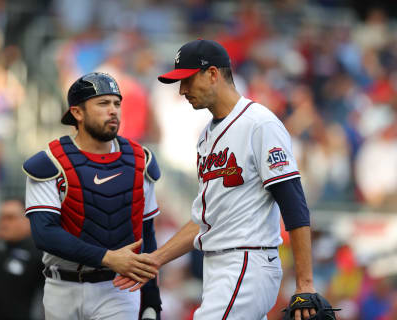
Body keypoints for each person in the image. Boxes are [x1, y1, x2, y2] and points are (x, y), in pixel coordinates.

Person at [114, 39, 336, 320]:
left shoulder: (259, 124)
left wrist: (304, 282)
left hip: (246, 261)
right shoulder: (206, 136)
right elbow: (205, 219)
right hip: (220, 266)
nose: (182, 90)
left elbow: (294, 202)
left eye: (187, 80)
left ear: (213, 74)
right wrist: (154, 259)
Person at [22, 72, 162, 320]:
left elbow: (146, 234)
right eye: (103, 103)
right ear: (77, 112)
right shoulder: (50, 162)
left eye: (117, 103)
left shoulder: (141, 161)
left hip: (118, 288)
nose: (113, 111)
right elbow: (44, 234)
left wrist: (151, 299)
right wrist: (108, 258)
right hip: (62, 286)